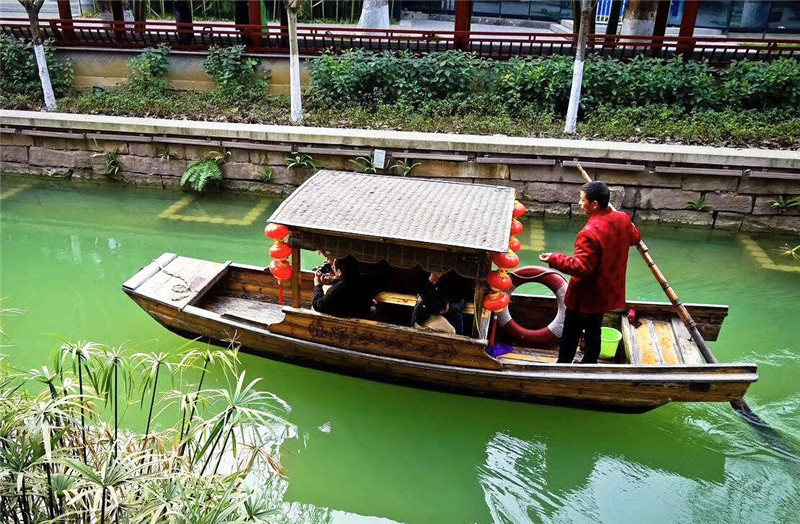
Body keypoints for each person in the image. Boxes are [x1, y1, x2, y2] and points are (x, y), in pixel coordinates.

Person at [539, 181, 641, 364]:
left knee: (571, 333)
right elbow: (635, 237)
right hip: (606, 290)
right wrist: (618, 216)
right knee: (594, 329)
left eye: (582, 199)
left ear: (594, 204)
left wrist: (554, 258)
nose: (579, 203)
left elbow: (581, 267)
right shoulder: (623, 218)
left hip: (586, 295)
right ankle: (590, 363)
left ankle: (563, 366)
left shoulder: (589, 232)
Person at [423, 271, 472, 335]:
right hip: (443, 297)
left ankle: (458, 336)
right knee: (422, 303)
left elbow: (461, 290)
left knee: (454, 309)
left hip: (459, 296)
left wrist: (446, 302)